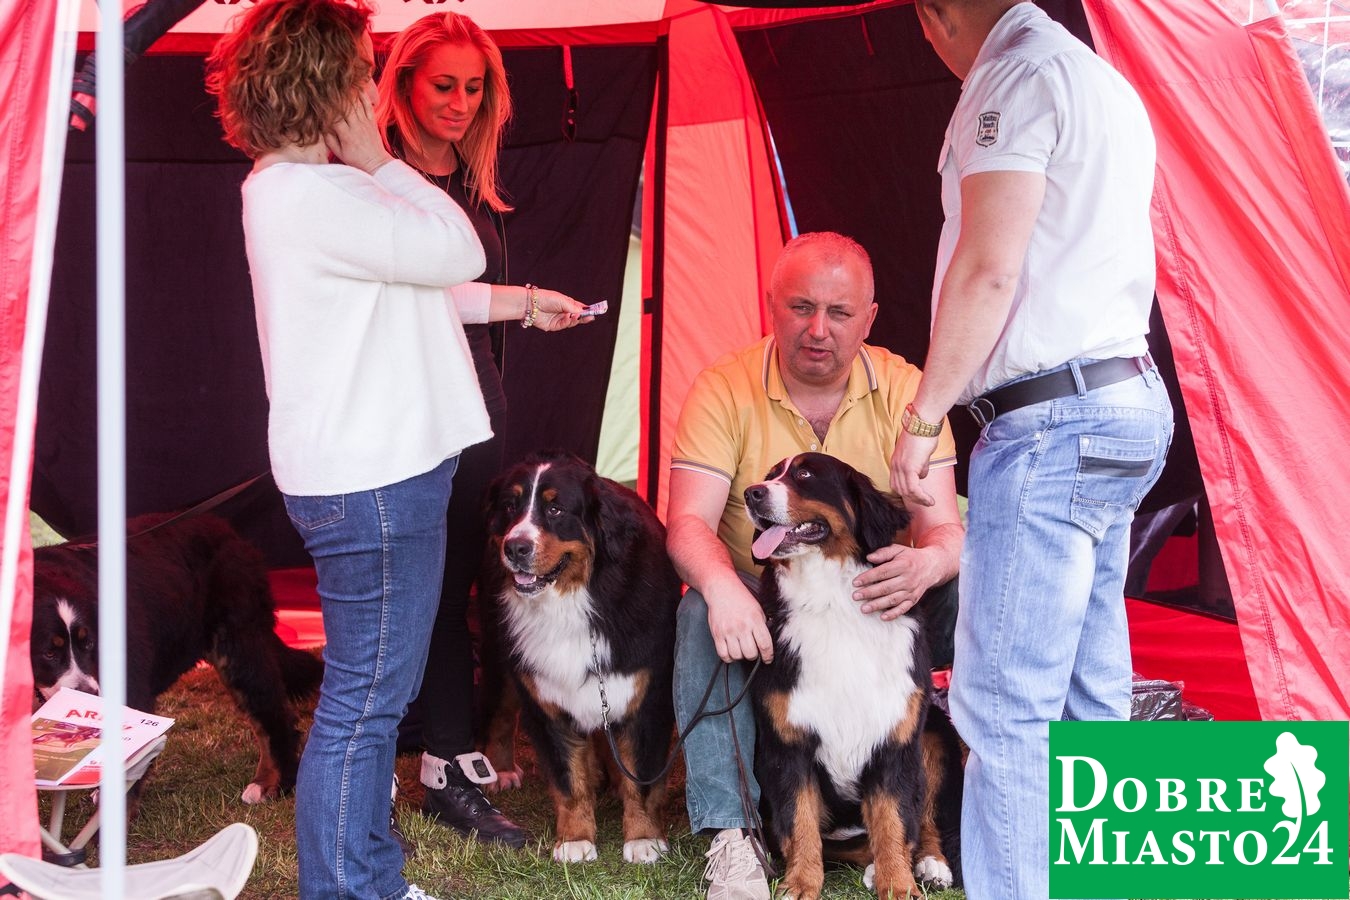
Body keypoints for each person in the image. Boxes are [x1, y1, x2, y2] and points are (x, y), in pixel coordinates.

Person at [205, 2, 585, 897]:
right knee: (365, 704)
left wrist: (524, 303)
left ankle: (367, 874)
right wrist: (378, 157)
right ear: (326, 83)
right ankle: (350, 888)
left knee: (371, 698)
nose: (370, 86)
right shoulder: (315, 194)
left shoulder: (298, 191)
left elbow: (428, 285)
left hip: (375, 476)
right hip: (373, 484)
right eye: (362, 71)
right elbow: (456, 250)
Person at [890, 2, 1174, 898]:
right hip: (1123, 399)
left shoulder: (1011, 78)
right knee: (1092, 696)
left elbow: (989, 266)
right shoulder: (1100, 77)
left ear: (934, 17)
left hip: (1053, 419)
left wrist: (925, 413)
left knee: (1007, 710)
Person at [667, 232, 965, 900]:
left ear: (870, 317)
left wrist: (928, 563)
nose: (818, 330)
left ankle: (985, 798)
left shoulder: (908, 390)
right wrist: (721, 585)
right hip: (767, 594)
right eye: (801, 307)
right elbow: (687, 522)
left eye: (839, 312)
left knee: (971, 582)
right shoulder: (723, 387)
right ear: (771, 305)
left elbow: (945, 529)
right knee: (699, 607)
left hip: (883, 585)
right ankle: (732, 833)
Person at [375, 11, 580, 851]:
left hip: (472, 407)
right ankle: (431, 756)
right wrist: (523, 303)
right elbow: (414, 295)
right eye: (443, 85)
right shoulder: (373, 173)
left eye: (473, 88)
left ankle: (445, 755)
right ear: (401, 84)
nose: (459, 103)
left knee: (462, 579)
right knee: (413, 584)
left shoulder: (470, 176)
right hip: (400, 407)